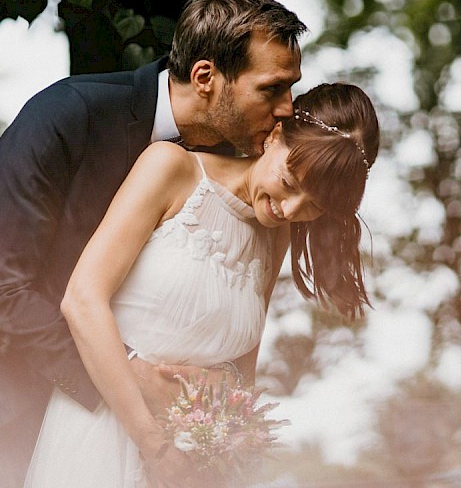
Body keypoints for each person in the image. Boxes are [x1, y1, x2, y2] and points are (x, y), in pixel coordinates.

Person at [0, 0, 308, 487]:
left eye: (291, 88)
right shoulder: (67, 115)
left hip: (111, 432)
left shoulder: (236, 180)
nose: (287, 108)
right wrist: (131, 376)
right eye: (271, 89)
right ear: (205, 78)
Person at [23, 83, 380, 487]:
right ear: (276, 136)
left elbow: (243, 375)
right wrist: (153, 444)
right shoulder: (171, 169)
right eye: (291, 181)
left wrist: (218, 398)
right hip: (105, 432)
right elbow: (83, 301)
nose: (291, 209)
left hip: (194, 460)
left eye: (314, 205)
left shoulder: (273, 235)